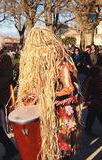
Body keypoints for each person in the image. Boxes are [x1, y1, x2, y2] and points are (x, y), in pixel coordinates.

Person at [17, 27, 81, 159]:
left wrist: (50, 95)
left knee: (62, 145)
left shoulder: (62, 65)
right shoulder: (37, 68)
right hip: (44, 112)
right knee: (46, 144)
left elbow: (70, 89)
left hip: (60, 110)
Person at [84, 65, 102, 138]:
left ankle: (88, 130)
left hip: (92, 101)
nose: (101, 73)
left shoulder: (89, 79)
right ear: (97, 73)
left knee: (91, 116)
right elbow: (100, 90)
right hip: (97, 101)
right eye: (100, 72)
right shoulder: (96, 80)